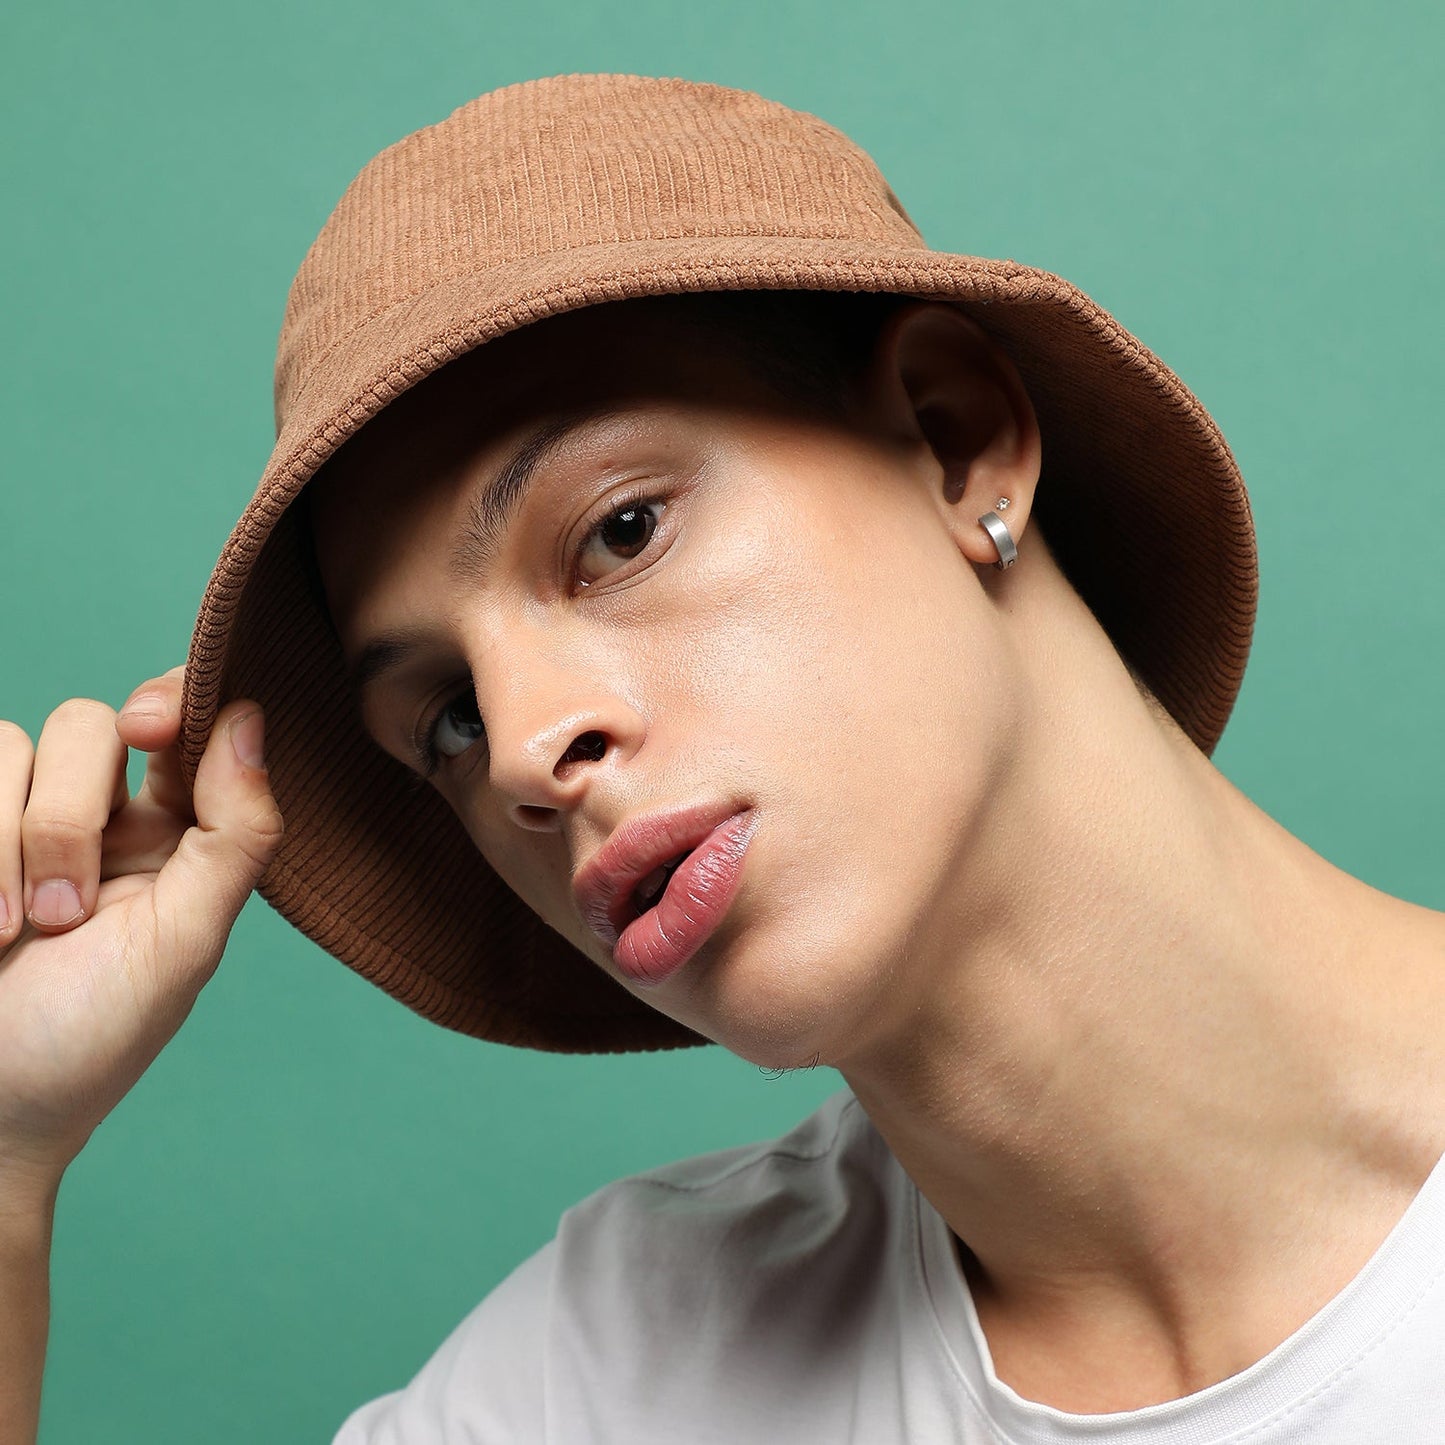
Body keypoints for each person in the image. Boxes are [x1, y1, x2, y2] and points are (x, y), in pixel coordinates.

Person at [2, 73, 1443, 1444]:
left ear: (955, 441)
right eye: (443, 716)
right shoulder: (611, 1375)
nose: (522, 750)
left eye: (619, 530)